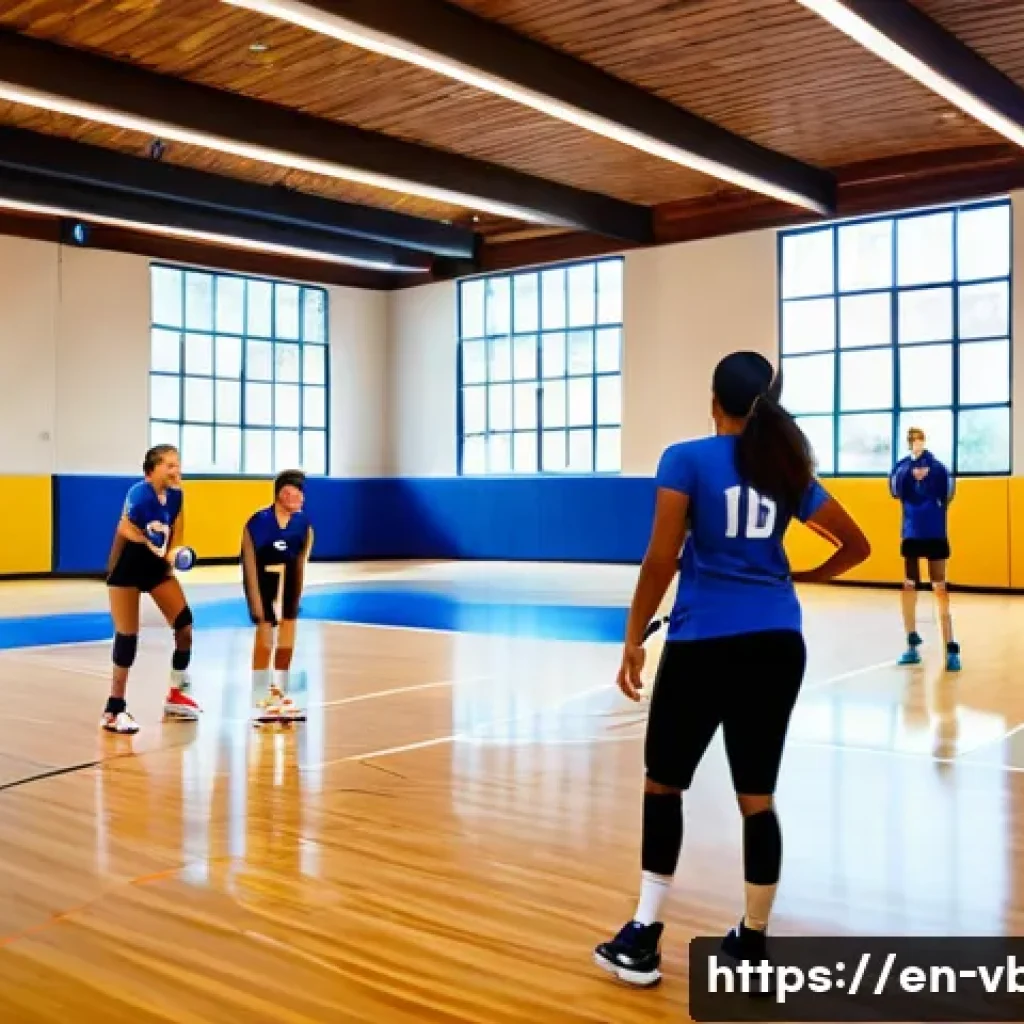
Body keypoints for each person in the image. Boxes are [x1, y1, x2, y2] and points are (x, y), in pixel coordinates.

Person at [592, 351, 870, 989]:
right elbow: (856, 546)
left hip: (705, 644)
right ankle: (752, 940)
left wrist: (633, 637)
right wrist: (798, 576)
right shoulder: (786, 465)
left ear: (713, 399)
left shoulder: (685, 458)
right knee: (757, 799)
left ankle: (643, 934)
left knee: (664, 786)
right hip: (777, 643)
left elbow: (661, 557)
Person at [103, 444, 202, 734]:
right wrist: (147, 542)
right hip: (127, 568)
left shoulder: (177, 495)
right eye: (169, 465)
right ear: (152, 470)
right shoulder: (139, 493)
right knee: (127, 637)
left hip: (156, 569)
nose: (176, 470)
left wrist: (174, 556)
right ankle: (114, 708)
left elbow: (177, 534)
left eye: (178, 463)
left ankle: (176, 692)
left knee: (184, 626)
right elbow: (124, 527)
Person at [241, 469, 314, 720]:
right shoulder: (257, 522)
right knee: (265, 639)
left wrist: (295, 597)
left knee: (287, 641)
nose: (302, 498)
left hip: (290, 585)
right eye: (297, 493)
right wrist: (256, 603)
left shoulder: (303, 524)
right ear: (284, 493)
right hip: (264, 583)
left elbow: (302, 558)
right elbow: (248, 562)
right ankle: (259, 695)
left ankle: (281, 692)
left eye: (302, 494)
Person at [889, 427, 960, 671]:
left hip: (935, 532)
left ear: (924, 441)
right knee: (909, 583)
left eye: (919, 439)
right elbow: (895, 491)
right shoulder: (901, 467)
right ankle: (911, 642)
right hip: (911, 532)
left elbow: (949, 493)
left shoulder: (939, 467)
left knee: (939, 586)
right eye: (912, 440)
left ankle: (950, 646)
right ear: (909, 443)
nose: (916, 443)